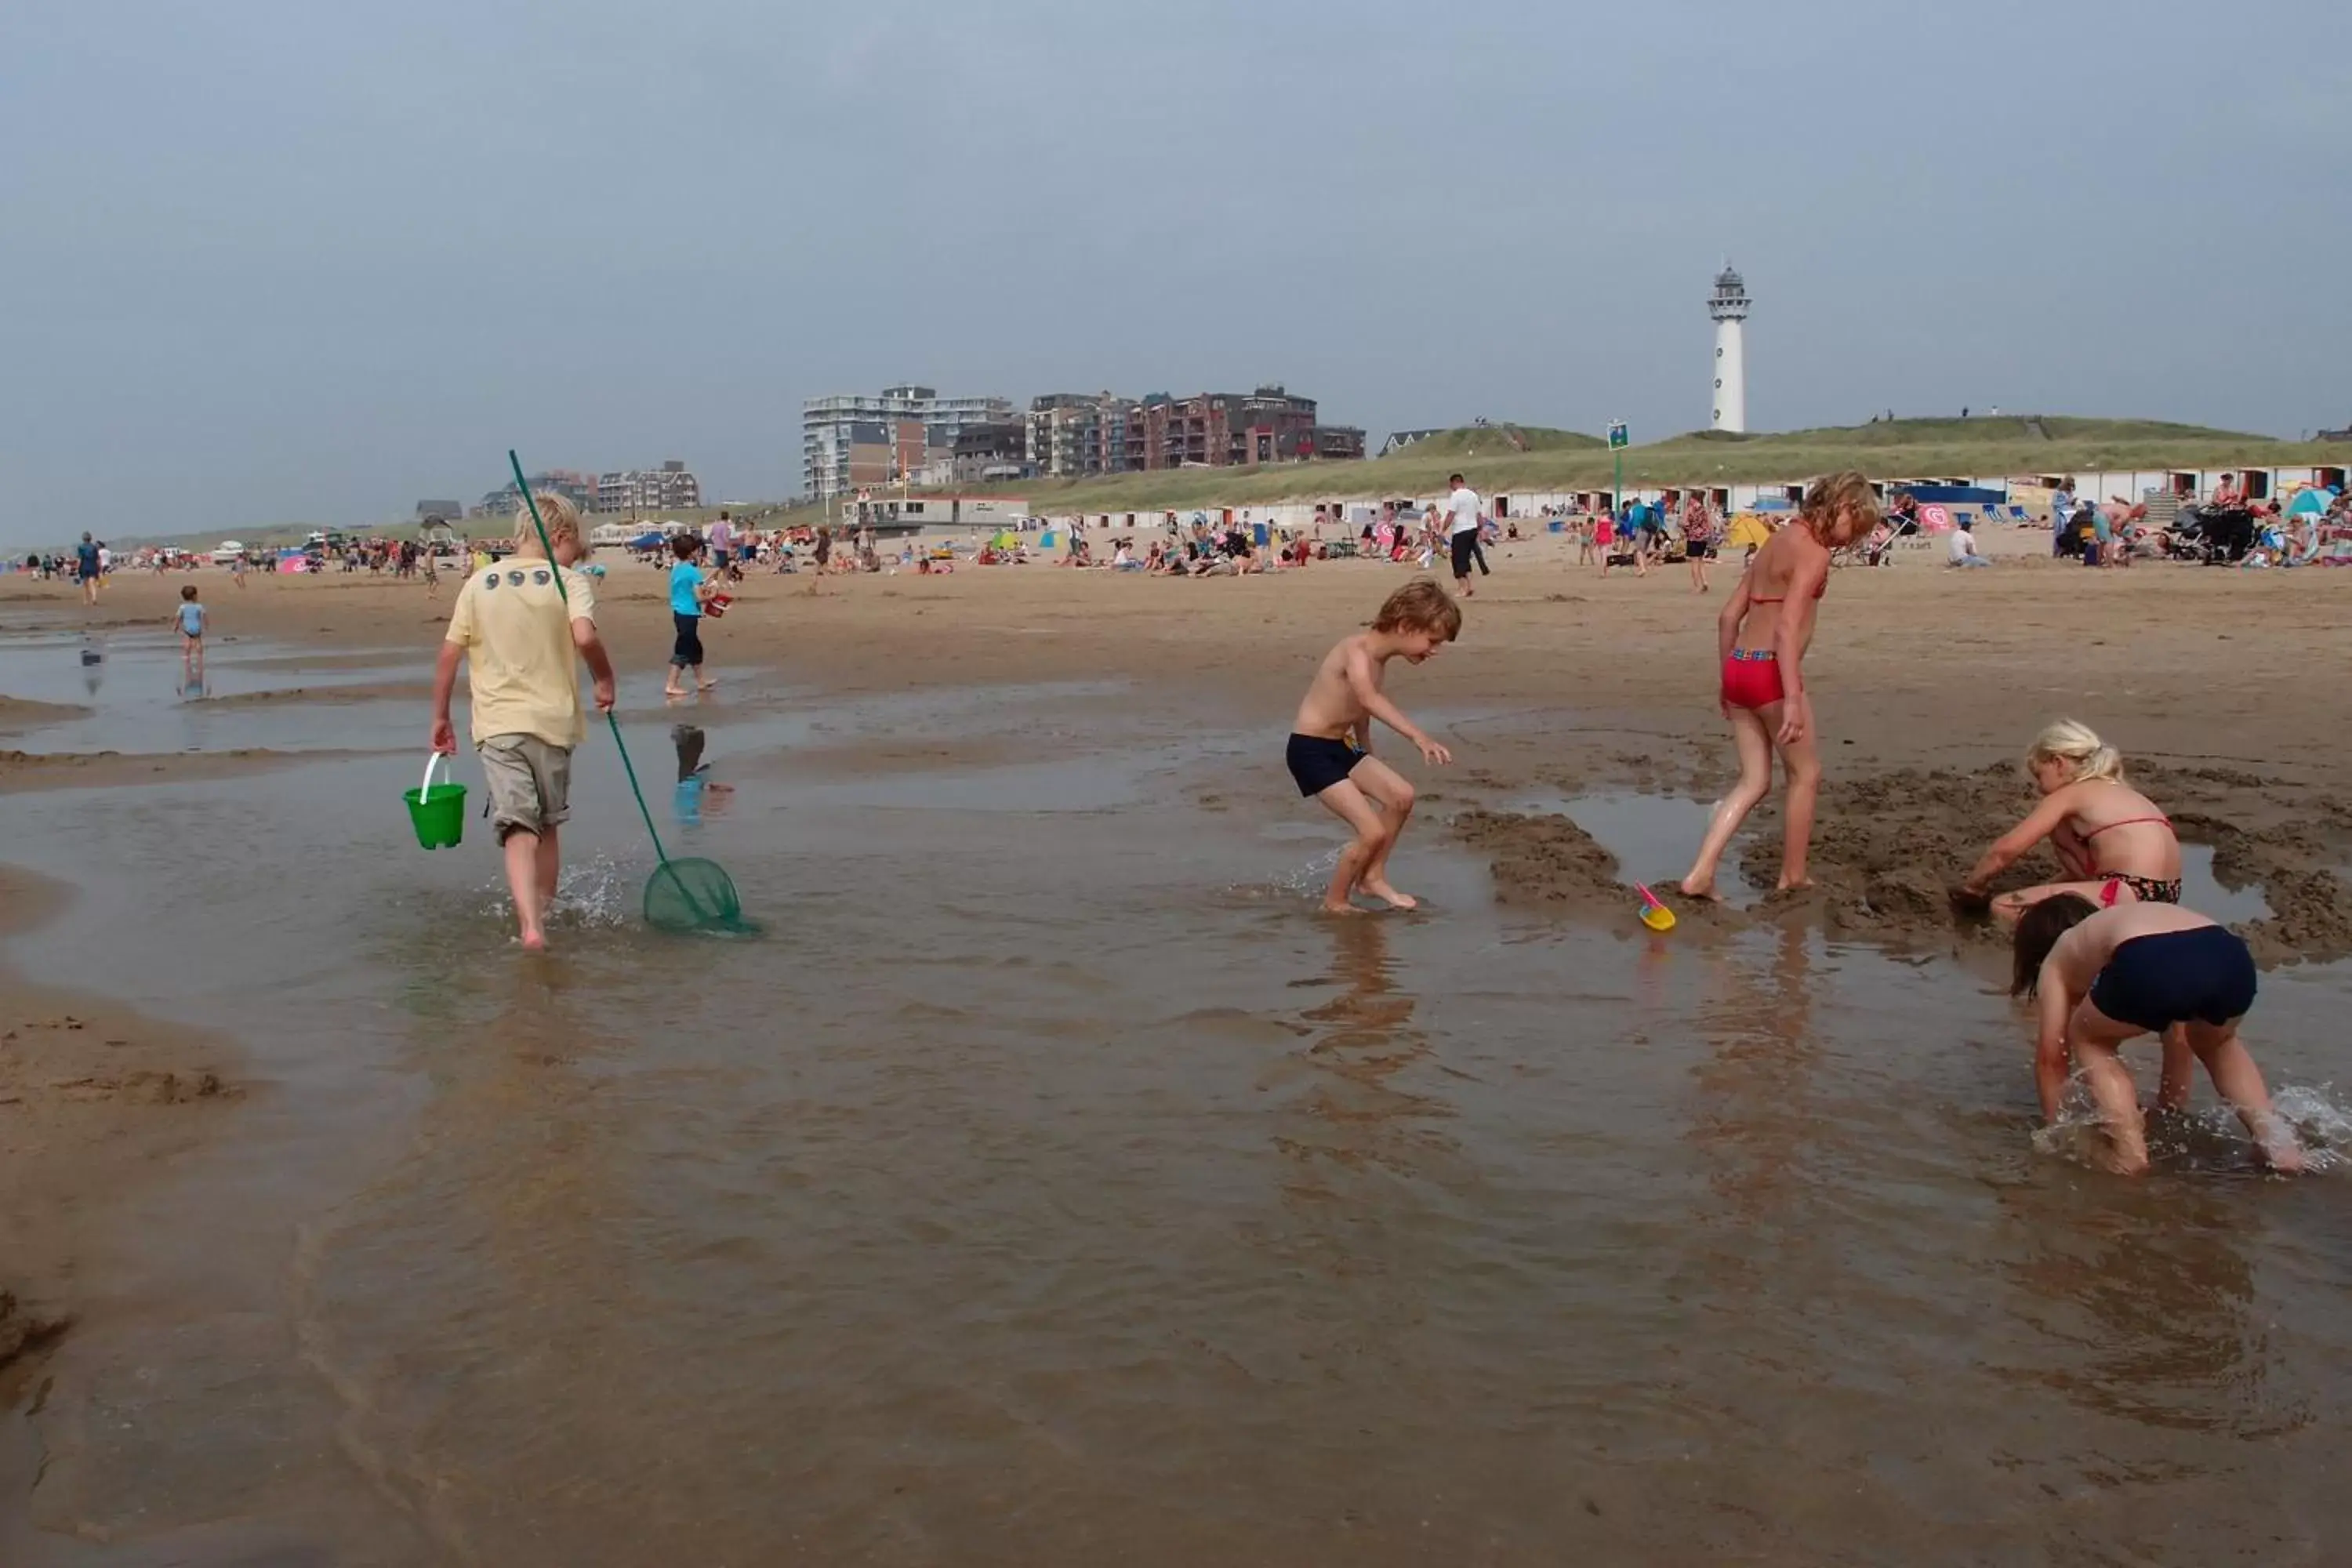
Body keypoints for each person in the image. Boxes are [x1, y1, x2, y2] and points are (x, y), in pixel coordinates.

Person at [1680, 471, 1882, 900]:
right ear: (1840, 507)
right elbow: (1788, 626)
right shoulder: (1813, 552)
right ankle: (1793, 876)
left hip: (1739, 667)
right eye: (1856, 526)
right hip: (1772, 673)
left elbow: (1728, 617)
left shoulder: (1774, 540)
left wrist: (1725, 680)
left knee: (1753, 781)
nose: (1852, 540)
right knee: (1806, 774)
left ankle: (1701, 872)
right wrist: (1792, 696)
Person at [428, 494, 616, 951]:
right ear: (561, 538)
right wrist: (605, 678)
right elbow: (585, 636)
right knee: (547, 824)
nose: (575, 559)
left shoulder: (478, 582)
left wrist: (440, 717)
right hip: (553, 723)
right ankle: (545, 911)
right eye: (575, 550)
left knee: (517, 825)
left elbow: (449, 655)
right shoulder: (568, 580)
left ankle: (531, 927)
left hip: (497, 725)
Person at [2011, 897, 2301, 1176]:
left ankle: (2128, 1155)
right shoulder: (2120, 925)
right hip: (2230, 955)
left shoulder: (2057, 957)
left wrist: (2056, 1130)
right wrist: (2169, 1108)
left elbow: (2051, 1059)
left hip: (2149, 958)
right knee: (2218, 1044)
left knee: (2088, 1038)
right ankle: (2280, 1148)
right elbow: (2179, 1037)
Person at [1286, 579, 1461, 914]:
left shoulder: (1379, 663)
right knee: (1371, 832)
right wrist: (1418, 736)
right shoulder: (1356, 651)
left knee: (1401, 796)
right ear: (1407, 626)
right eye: (1432, 640)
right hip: (1309, 751)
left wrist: (1367, 756)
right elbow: (1368, 698)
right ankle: (1335, 902)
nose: (1433, 650)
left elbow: (1359, 711)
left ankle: (1372, 877)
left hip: (1341, 746)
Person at [1955, 720, 2180, 928]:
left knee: (2003, 907)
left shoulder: (2070, 795)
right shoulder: (2126, 794)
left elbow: (2004, 852)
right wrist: (2043, 890)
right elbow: (2084, 873)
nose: (2039, 788)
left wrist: (1973, 886)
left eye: (2040, 775)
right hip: (2166, 896)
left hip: (2127, 891)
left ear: (2058, 763)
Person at [665, 533, 717, 696]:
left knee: (695, 647)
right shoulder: (693, 572)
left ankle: (701, 681)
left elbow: (687, 590)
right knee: (683, 649)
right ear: (692, 552)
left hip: (679, 613)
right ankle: (671, 685)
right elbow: (700, 597)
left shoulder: (676, 569)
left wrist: (706, 583)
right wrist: (713, 594)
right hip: (688, 614)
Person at [1442, 473, 1482, 597]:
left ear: (1454, 483)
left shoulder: (1456, 496)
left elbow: (1450, 515)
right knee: (1465, 560)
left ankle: (1463, 588)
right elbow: (1479, 517)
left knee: (1458, 560)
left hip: (1461, 530)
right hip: (1472, 529)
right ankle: (1468, 587)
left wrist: (1442, 530)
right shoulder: (1473, 495)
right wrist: (1479, 530)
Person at [1682, 494, 1715, 592]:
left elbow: (1685, 523)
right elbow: (1710, 524)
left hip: (1693, 538)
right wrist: (1711, 536)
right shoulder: (1704, 510)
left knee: (1694, 562)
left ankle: (1697, 586)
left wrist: (1688, 530)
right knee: (1701, 560)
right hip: (1703, 538)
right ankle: (1705, 581)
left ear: (1693, 498)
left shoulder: (1690, 509)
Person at [174, 584, 206, 680]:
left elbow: (178, 618)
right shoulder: (199, 606)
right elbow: (204, 616)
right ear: (194, 596)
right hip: (196, 627)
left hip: (187, 628)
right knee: (198, 642)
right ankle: (200, 657)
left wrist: (176, 626)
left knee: (187, 642)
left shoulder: (182, 607)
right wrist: (206, 624)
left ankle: (187, 656)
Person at [75, 532, 101, 606]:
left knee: (85, 584)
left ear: (83, 539)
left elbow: (80, 559)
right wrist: (99, 568)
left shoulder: (81, 547)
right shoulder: (94, 547)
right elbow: (97, 559)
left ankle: (86, 600)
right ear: (90, 539)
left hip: (84, 566)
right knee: (92, 583)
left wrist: (77, 568)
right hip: (93, 566)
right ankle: (94, 598)